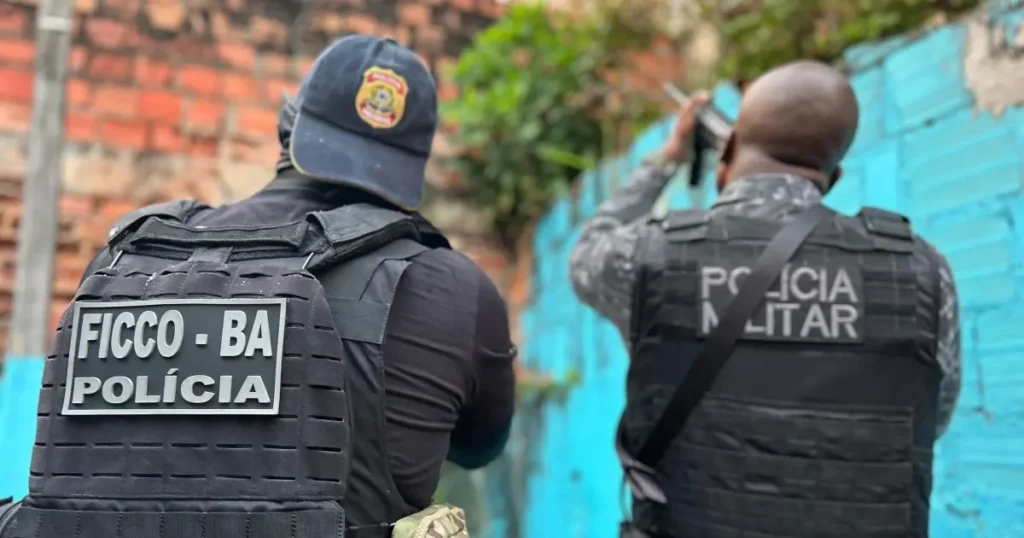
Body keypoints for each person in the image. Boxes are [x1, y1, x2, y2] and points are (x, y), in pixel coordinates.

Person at [3, 35, 515, 538]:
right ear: (414, 165)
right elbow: (480, 446)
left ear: (287, 126)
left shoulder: (125, 255)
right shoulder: (455, 289)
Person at [570, 60, 961, 538]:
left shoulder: (647, 257)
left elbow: (586, 253)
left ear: (729, 148)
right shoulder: (921, 270)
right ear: (834, 176)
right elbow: (928, 417)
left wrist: (667, 158)